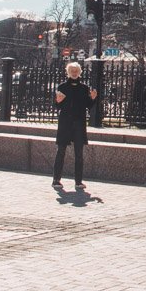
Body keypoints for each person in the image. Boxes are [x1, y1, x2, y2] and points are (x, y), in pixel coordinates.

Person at [52, 61, 98, 192]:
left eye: (76, 71)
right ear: (68, 72)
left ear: (79, 72)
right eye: (71, 70)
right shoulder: (62, 87)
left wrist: (93, 98)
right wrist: (57, 101)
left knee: (79, 153)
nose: (74, 73)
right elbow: (56, 105)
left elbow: (89, 105)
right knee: (61, 151)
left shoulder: (84, 88)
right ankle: (56, 180)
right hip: (65, 123)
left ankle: (78, 182)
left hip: (79, 123)